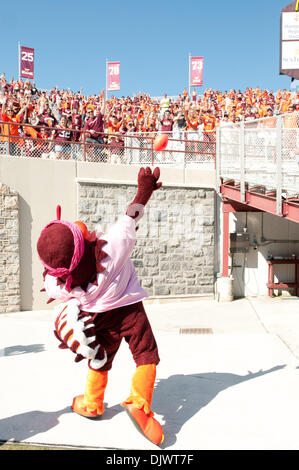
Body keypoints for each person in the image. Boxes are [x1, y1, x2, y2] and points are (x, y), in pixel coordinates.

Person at [36, 167, 164, 446]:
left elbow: (53, 278)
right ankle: (139, 404)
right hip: (128, 309)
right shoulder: (111, 248)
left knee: (101, 358)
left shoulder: (60, 284)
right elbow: (131, 215)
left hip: (96, 316)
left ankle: (92, 403)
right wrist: (145, 189)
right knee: (146, 355)